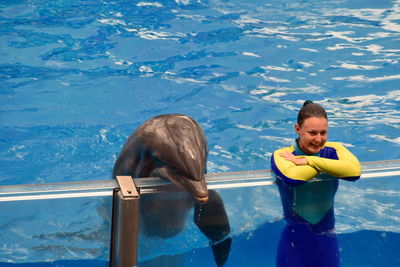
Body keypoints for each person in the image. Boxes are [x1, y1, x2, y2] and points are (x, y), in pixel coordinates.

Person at [270, 100, 361, 267]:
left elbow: (354, 171)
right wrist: (328, 165)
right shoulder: (282, 154)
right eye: (312, 133)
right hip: (294, 240)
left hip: (327, 237)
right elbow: (294, 178)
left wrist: (308, 161)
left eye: (323, 133)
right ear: (297, 129)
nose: (319, 139)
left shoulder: (334, 149)